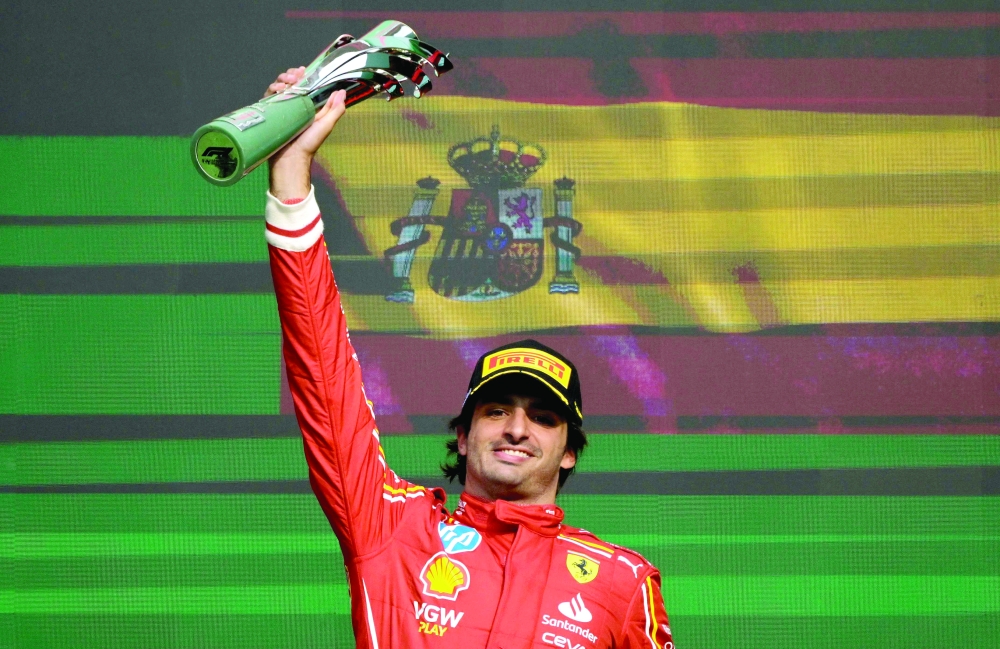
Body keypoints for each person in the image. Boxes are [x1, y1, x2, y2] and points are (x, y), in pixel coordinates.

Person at [264, 67, 674, 649]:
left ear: (570, 454)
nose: (516, 428)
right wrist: (291, 171)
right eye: (496, 410)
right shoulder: (394, 529)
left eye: (543, 417)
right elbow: (322, 375)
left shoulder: (622, 583)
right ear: (461, 436)